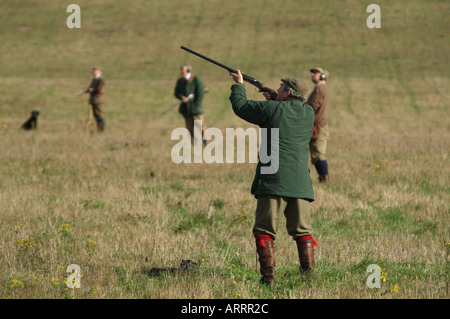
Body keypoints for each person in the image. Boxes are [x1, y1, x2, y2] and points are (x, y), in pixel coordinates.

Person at [229, 69, 318, 286]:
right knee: (303, 232)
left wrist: (239, 85)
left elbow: (241, 106)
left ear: (287, 93)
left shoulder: (272, 109)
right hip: (300, 184)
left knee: (264, 231)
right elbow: (284, 110)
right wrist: (274, 97)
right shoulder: (308, 113)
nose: (277, 89)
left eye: (280, 88)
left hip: (273, 180)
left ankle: (268, 279)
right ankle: (308, 279)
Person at [307, 67, 330, 183]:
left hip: (318, 127)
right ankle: (323, 177)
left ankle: (324, 178)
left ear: (322, 76)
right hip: (318, 126)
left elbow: (311, 106)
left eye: (315, 73)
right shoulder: (320, 88)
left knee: (318, 154)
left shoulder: (320, 89)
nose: (312, 75)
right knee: (316, 154)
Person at [174, 64, 206, 143]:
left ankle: (206, 144)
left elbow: (200, 92)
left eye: (183, 70)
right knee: (189, 129)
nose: (181, 71)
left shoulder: (195, 80)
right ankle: (193, 145)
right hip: (186, 110)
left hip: (195, 109)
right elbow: (176, 93)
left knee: (201, 127)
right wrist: (182, 97)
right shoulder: (180, 81)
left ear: (188, 71)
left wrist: (195, 103)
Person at [83, 67, 106, 132]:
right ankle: (97, 129)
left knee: (100, 115)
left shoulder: (100, 80)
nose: (94, 73)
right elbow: (90, 88)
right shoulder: (94, 80)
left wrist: (90, 90)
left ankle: (101, 129)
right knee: (94, 115)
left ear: (99, 72)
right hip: (92, 99)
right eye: (93, 72)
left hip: (98, 99)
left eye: (95, 71)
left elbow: (98, 89)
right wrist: (88, 90)